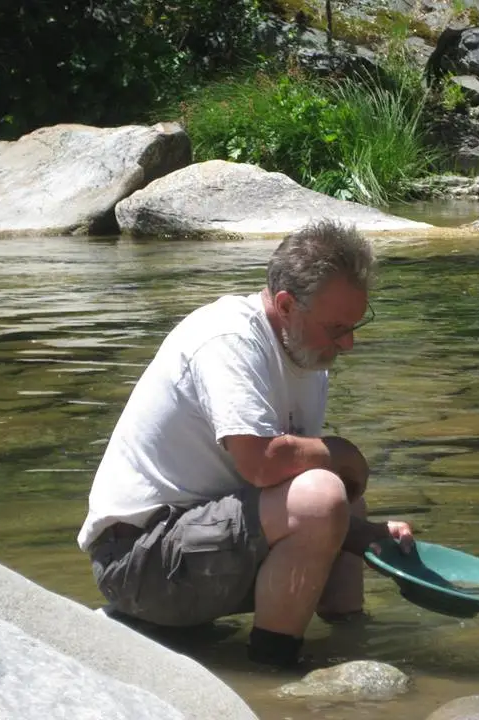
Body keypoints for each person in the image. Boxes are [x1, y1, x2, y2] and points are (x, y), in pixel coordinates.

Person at [78, 218, 414, 669]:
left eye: (356, 325)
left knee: (342, 497)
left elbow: (288, 490)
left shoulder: (306, 353)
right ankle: (274, 670)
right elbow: (261, 466)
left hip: (199, 546)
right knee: (325, 491)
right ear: (286, 305)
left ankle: (351, 642)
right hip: (139, 563)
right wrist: (344, 452)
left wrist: (368, 539)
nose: (349, 343)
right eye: (337, 328)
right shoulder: (230, 339)